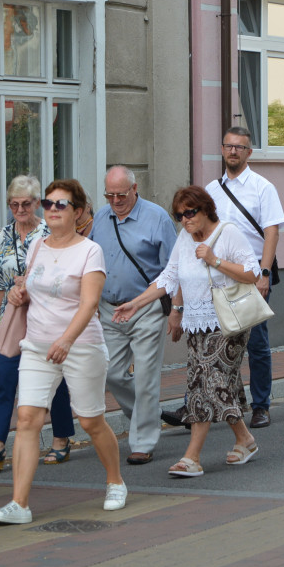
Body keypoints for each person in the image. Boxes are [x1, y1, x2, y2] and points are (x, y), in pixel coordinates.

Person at [0, 179, 127, 524]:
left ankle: (115, 481)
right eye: (48, 204)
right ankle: (19, 504)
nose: (52, 210)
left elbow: (90, 302)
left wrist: (66, 340)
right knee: (27, 419)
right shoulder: (38, 247)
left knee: (92, 420)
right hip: (35, 344)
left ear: (77, 212)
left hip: (80, 346)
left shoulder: (89, 251)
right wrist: (19, 295)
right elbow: (30, 288)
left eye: (60, 205)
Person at [113, 186, 260, 476]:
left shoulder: (227, 232)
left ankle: (191, 457)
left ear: (205, 209)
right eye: (180, 215)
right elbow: (169, 277)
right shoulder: (184, 238)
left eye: (190, 213)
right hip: (197, 323)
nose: (185, 220)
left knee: (204, 383)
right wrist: (137, 304)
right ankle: (245, 438)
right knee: (213, 381)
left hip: (228, 323)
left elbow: (252, 272)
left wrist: (215, 260)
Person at [0, 175, 76, 472]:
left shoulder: (50, 232)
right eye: (14, 204)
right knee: (4, 378)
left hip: (46, 316)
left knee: (53, 378)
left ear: (37, 203)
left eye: (26, 203)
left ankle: (61, 438)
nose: (20, 209)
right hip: (13, 316)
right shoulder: (2, 236)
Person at [90, 166, 177, 466]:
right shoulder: (101, 218)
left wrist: (176, 309)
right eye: (109, 195)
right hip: (109, 309)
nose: (115, 200)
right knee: (111, 373)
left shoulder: (157, 218)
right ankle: (147, 414)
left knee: (145, 376)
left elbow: (173, 269)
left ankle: (142, 441)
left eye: (121, 194)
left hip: (146, 307)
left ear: (135, 188)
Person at [204, 127, 284, 429]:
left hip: (251, 276)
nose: (233, 151)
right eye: (229, 146)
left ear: (249, 153)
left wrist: (264, 273)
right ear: (222, 150)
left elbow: (272, 231)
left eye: (240, 147)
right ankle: (208, 403)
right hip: (219, 273)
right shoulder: (212, 189)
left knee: (257, 343)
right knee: (214, 339)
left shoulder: (263, 187)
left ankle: (261, 404)